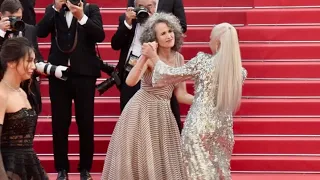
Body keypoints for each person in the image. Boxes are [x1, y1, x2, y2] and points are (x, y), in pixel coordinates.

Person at [142, 22, 248, 179]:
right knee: (219, 174)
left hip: (198, 129)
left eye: (210, 38)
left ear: (217, 42)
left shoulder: (203, 62)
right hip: (223, 132)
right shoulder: (240, 72)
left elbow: (168, 75)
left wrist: (154, 57)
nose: (209, 42)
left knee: (197, 174)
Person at [101, 12, 193, 180]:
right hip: (142, 110)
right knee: (143, 157)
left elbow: (181, 94)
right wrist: (144, 56)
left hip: (164, 113)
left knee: (163, 158)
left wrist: (205, 100)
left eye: (170, 31)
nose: (169, 35)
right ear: (154, 38)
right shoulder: (148, 58)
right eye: (163, 33)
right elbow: (130, 81)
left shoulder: (179, 58)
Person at [36, 0, 105, 179]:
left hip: (84, 75)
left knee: (85, 121)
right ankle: (62, 169)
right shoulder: (52, 10)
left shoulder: (91, 9)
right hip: (58, 75)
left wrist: (81, 16)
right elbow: (40, 32)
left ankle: (85, 169)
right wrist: (54, 9)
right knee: (59, 122)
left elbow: (100, 35)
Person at [111, 0, 183, 132]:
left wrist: (156, 25)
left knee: (167, 122)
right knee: (131, 122)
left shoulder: (163, 24)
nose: (145, 10)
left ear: (155, 6)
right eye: (141, 7)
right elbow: (115, 44)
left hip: (158, 72)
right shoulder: (127, 19)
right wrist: (127, 23)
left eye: (149, 6)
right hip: (131, 69)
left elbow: (181, 28)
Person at [0, 37, 48, 180]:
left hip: (28, 164)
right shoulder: (1, 94)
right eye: (28, 61)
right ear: (11, 62)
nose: (34, 66)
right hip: (8, 170)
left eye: (34, 61)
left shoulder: (22, 92)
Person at [0, 0, 43, 115]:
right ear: (1, 15)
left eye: (18, 18)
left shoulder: (30, 30)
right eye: (10, 18)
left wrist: (40, 65)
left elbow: (37, 56)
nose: (15, 22)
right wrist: (1, 33)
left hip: (27, 90)